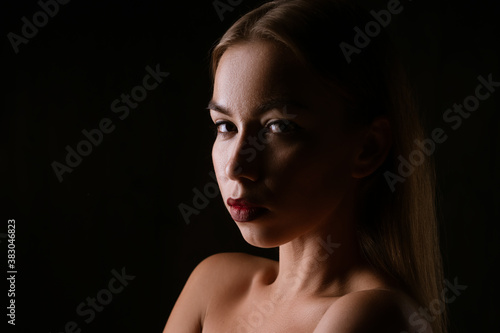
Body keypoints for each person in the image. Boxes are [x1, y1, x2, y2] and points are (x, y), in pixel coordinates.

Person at [164, 0, 446, 332]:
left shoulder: (374, 314)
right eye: (226, 126)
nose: (236, 167)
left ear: (368, 147)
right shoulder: (214, 285)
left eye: (279, 127)